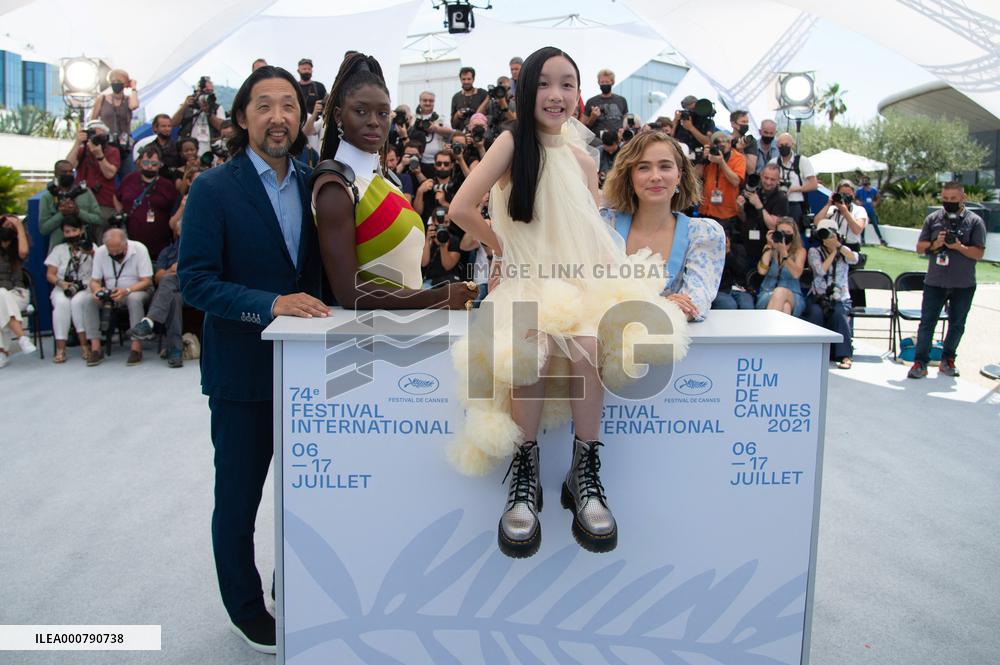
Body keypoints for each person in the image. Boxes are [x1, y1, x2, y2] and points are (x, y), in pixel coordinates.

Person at [446, 46, 688, 558]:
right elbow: (461, 207)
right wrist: (500, 247)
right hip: (526, 280)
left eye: (567, 84)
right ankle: (526, 472)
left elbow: (588, 231)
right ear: (526, 88)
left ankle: (585, 470)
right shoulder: (512, 144)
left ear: (580, 94)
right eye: (545, 84)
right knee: (530, 342)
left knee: (586, 342)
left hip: (578, 280)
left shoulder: (582, 158)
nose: (556, 95)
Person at [178, 65, 326, 654]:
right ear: (242, 117)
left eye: (288, 104)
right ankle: (245, 608)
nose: (278, 116)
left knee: (309, 493)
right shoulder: (215, 188)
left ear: (301, 115)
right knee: (239, 499)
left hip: (309, 373)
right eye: (263, 105)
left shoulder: (319, 182)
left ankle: (294, 585)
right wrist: (270, 306)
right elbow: (195, 282)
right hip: (243, 375)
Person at [313, 52, 475, 311]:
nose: (374, 122)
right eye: (361, 111)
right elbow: (348, 292)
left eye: (382, 112)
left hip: (403, 334)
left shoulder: (388, 181)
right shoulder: (335, 187)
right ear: (339, 117)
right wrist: (436, 298)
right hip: (368, 342)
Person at [601, 130, 725, 321]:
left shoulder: (703, 233)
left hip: (671, 346)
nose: (655, 176)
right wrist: (665, 303)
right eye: (643, 168)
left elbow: (695, 302)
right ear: (630, 176)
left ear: (679, 176)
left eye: (665, 166)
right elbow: (591, 294)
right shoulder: (605, 225)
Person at [907, 182, 987, 379]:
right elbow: (919, 247)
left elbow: (979, 253)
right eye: (945, 199)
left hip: (963, 284)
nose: (948, 202)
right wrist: (937, 243)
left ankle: (948, 360)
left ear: (963, 197)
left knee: (957, 324)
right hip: (935, 282)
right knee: (927, 323)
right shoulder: (933, 219)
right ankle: (920, 363)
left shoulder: (974, 221)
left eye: (953, 199)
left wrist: (959, 246)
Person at [85, 228, 153, 366]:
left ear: (125, 244)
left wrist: (127, 290)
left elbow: (147, 281)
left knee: (134, 300)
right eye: (111, 252)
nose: (115, 254)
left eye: (118, 250)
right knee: (89, 300)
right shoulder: (101, 252)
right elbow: (94, 280)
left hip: (135, 289)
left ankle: (136, 348)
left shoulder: (139, 249)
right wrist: (97, 290)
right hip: (111, 292)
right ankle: (96, 347)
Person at [127, 212, 185, 368]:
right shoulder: (167, 252)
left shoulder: (200, 248)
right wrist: (171, 270)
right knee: (173, 297)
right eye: (182, 228)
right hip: (173, 291)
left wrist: (183, 269)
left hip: (193, 287)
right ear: (177, 231)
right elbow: (158, 277)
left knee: (170, 282)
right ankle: (175, 350)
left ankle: (149, 321)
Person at [803, 218, 859, 368]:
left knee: (838, 314)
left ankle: (845, 355)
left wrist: (838, 247)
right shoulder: (814, 251)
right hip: (818, 297)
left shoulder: (844, 252)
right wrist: (833, 252)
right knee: (815, 313)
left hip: (840, 297)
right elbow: (821, 270)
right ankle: (813, 353)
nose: (827, 238)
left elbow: (854, 259)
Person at [115, 145, 179, 260]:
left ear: (160, 164)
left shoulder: (167, 185)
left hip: (159, 245)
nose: (149, 167)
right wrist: (120, 213)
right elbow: (116, 197)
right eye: (145, 163)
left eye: (154, 164)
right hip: (131, 243)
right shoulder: (129, 179)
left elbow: (174, 210)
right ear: (139, 163)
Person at [44, 218, 95, 363]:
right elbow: (50, 274)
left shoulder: (91, 247)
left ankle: (85, 345)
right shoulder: (58, 249)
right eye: (67, 231)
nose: (71, 234)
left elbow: (100, 269)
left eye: (74, 230)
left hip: (86, 286)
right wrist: (62, 284)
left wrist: (91, 252)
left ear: (81, 230)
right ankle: (61, 349)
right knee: (61, 304)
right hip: (63, 286)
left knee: (78, 303)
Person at [38, 160, 104, 249]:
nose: (68, 174)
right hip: (58, 248)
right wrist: (61, 214)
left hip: (84, 247)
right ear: (56, 174)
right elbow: (43, 229)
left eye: (71, 172)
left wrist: (77, 212)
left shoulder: (85, 192)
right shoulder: (48, 197)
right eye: (64, 172)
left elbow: (98, 219)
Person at [66, 120, 121, 223]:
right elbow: (67, 167)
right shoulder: (83, 150)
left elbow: (109, 174)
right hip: (82, 202)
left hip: (103, 202)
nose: (95, 136)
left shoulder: (112, 151)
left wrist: (99, 156)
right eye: (92, 132)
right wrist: (77, 143)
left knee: (101, 232)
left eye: (99, 133)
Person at [696, 130, 746, 240]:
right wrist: (702, 159)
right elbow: (696, 175)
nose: (724, 144)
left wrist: (721, 162)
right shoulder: (710, 156)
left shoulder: (738, 158)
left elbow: (736, 181)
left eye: (727, 141)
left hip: (726, 214)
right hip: (706, 211)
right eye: (719, 142)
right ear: (713, 145)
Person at [735, 163, 788, 265]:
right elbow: (743, 218)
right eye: (766, 178)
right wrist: (740, 208)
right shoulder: (754, 191)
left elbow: (773, 225)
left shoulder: (781, 198)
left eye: (772, 179)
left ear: (778, 180)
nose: (768, 182)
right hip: (748, 244)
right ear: (761, 176)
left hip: (767, 247)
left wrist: (759, 205)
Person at [0, 214, 35, 367]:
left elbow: (23, 252)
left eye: (10, 227)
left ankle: (2, 351)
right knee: (1, 295)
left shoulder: (18, 247)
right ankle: (22, 337)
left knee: (1, 294)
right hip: (2, 297)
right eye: (4, 226)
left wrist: (19, 226)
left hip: (18, 293)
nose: (6, 229)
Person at [755, 217, 806, 317]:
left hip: (792, 293)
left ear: (794, 234)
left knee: (780, 292)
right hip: (768, 292)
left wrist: (784, 253)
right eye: (782, 232)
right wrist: (769, 246)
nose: (785, 235)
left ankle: (765, 329)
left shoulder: (799, 251)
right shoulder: (769, 248)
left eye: (788, 232)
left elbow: (796, 274)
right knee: (785, 307)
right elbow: (762, 271)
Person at [91, 68, 139, 176]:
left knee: (128, 174)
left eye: (119, 81)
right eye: (114, 81)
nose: (116, 84)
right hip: (107, 143)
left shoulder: (128, 100)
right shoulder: (102, 99)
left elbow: (134, 105)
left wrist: (134, 88)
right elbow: (93, 120)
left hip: (124, 144)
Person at [769, 133, 817, 229]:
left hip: (795, 204)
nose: (783, 147)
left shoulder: (802, 161)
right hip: (777, 204)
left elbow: (813, 184)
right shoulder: (773, 162)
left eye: (786, 145)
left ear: (792, 144)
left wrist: (793, 189)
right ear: (777, 145)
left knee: (794, 234)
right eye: (781, 145)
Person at [173, 76, 225, 156]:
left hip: (210, 148)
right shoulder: (187, 106)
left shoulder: (216, 108)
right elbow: (173, 123)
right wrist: (184, 106)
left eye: (209, 93)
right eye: (203, 93)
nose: (205, 96)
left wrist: (208, 113)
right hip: (188, 149)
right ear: (196, 92)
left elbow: (222, 126)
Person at [814, 179, 868, 254]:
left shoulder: (859, 210)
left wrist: (845, 211)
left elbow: (857, 230)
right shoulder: (832, 209)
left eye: (848, 194)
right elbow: (817, 222)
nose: (845, 196)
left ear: (853, 195)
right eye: (842, 194)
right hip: (832, 247)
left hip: (851, 248)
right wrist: (829, 204)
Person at [712, 226, 754, 310]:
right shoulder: (710, 251)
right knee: (729, 305)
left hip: (739, 288)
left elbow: (741, 270)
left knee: (747, 305)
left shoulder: (738, 249)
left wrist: (728, 253)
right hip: (720, 289)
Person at [583, 69, 628, 138]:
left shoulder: (621, 100)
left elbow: (626, 121)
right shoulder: (591, 101)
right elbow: (584, 126)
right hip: (597, 141)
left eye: (607, 82)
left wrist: (624, 131)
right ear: (598, 83)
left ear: (612, 82)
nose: (604, 84)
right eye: (602, 82)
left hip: (617, 140)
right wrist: (593, 117)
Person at [856, 175, 887, 245]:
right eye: (863, 180)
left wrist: (875, 203)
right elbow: (854, 198)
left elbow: (878, 197)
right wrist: (857, 202)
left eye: (866, 180)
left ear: (868, 181)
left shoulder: (873, 190)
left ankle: (881, 239)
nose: (864, 181)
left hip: (871, 210)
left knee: (875, 224)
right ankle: (862, 240)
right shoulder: (859, 190)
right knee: (863, 225)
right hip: (863, 210)